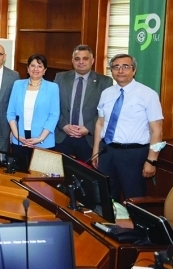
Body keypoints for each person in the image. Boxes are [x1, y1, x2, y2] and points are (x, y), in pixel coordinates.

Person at [92, 54, 163, 200]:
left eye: (125, 66)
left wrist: (151, 161)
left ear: (134, 70)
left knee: (134, 197)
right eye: (116, 67)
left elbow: (157, 131)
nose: (120, 70)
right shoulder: (106, 93)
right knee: (105, 197)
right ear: (111, 70)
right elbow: (100, 123)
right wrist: (96, 151)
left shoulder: (148, 95)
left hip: (133, 155)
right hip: (107, 151)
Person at [53, 45, 112, 162]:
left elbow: (106, 111)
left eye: (85, 58)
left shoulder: (105, 82)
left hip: (88, 139)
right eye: (77, 59)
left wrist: (88, 128)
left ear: (92, 61)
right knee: (57, 176)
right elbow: (53, 106)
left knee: (86, 176)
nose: (81, 62)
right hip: (62, 136)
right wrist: (64, 125)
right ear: (72, 60)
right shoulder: (60, 78)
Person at [6, 54, 60, 159]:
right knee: (19, 173)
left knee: (40, 174)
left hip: (43, 141)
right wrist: (16, 135)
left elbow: (54, 115)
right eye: (32, 65)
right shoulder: (17, 84)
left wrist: (40, 138)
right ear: (28, 68)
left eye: (40, 66)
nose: (36, 69)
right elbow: (10, 113)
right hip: (19, 140)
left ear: (45, 70)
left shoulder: (52, 88)